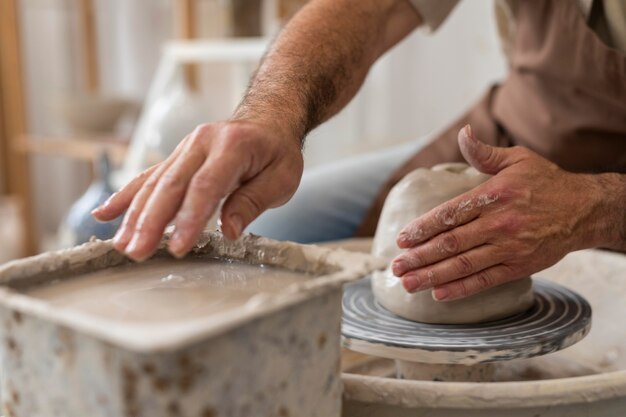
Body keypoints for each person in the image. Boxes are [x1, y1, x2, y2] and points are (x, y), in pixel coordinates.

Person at [92, 0, 626, 302]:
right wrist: (271, 115)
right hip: (508, 129)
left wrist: (597, 207)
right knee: (256, 239)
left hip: (614, 182)